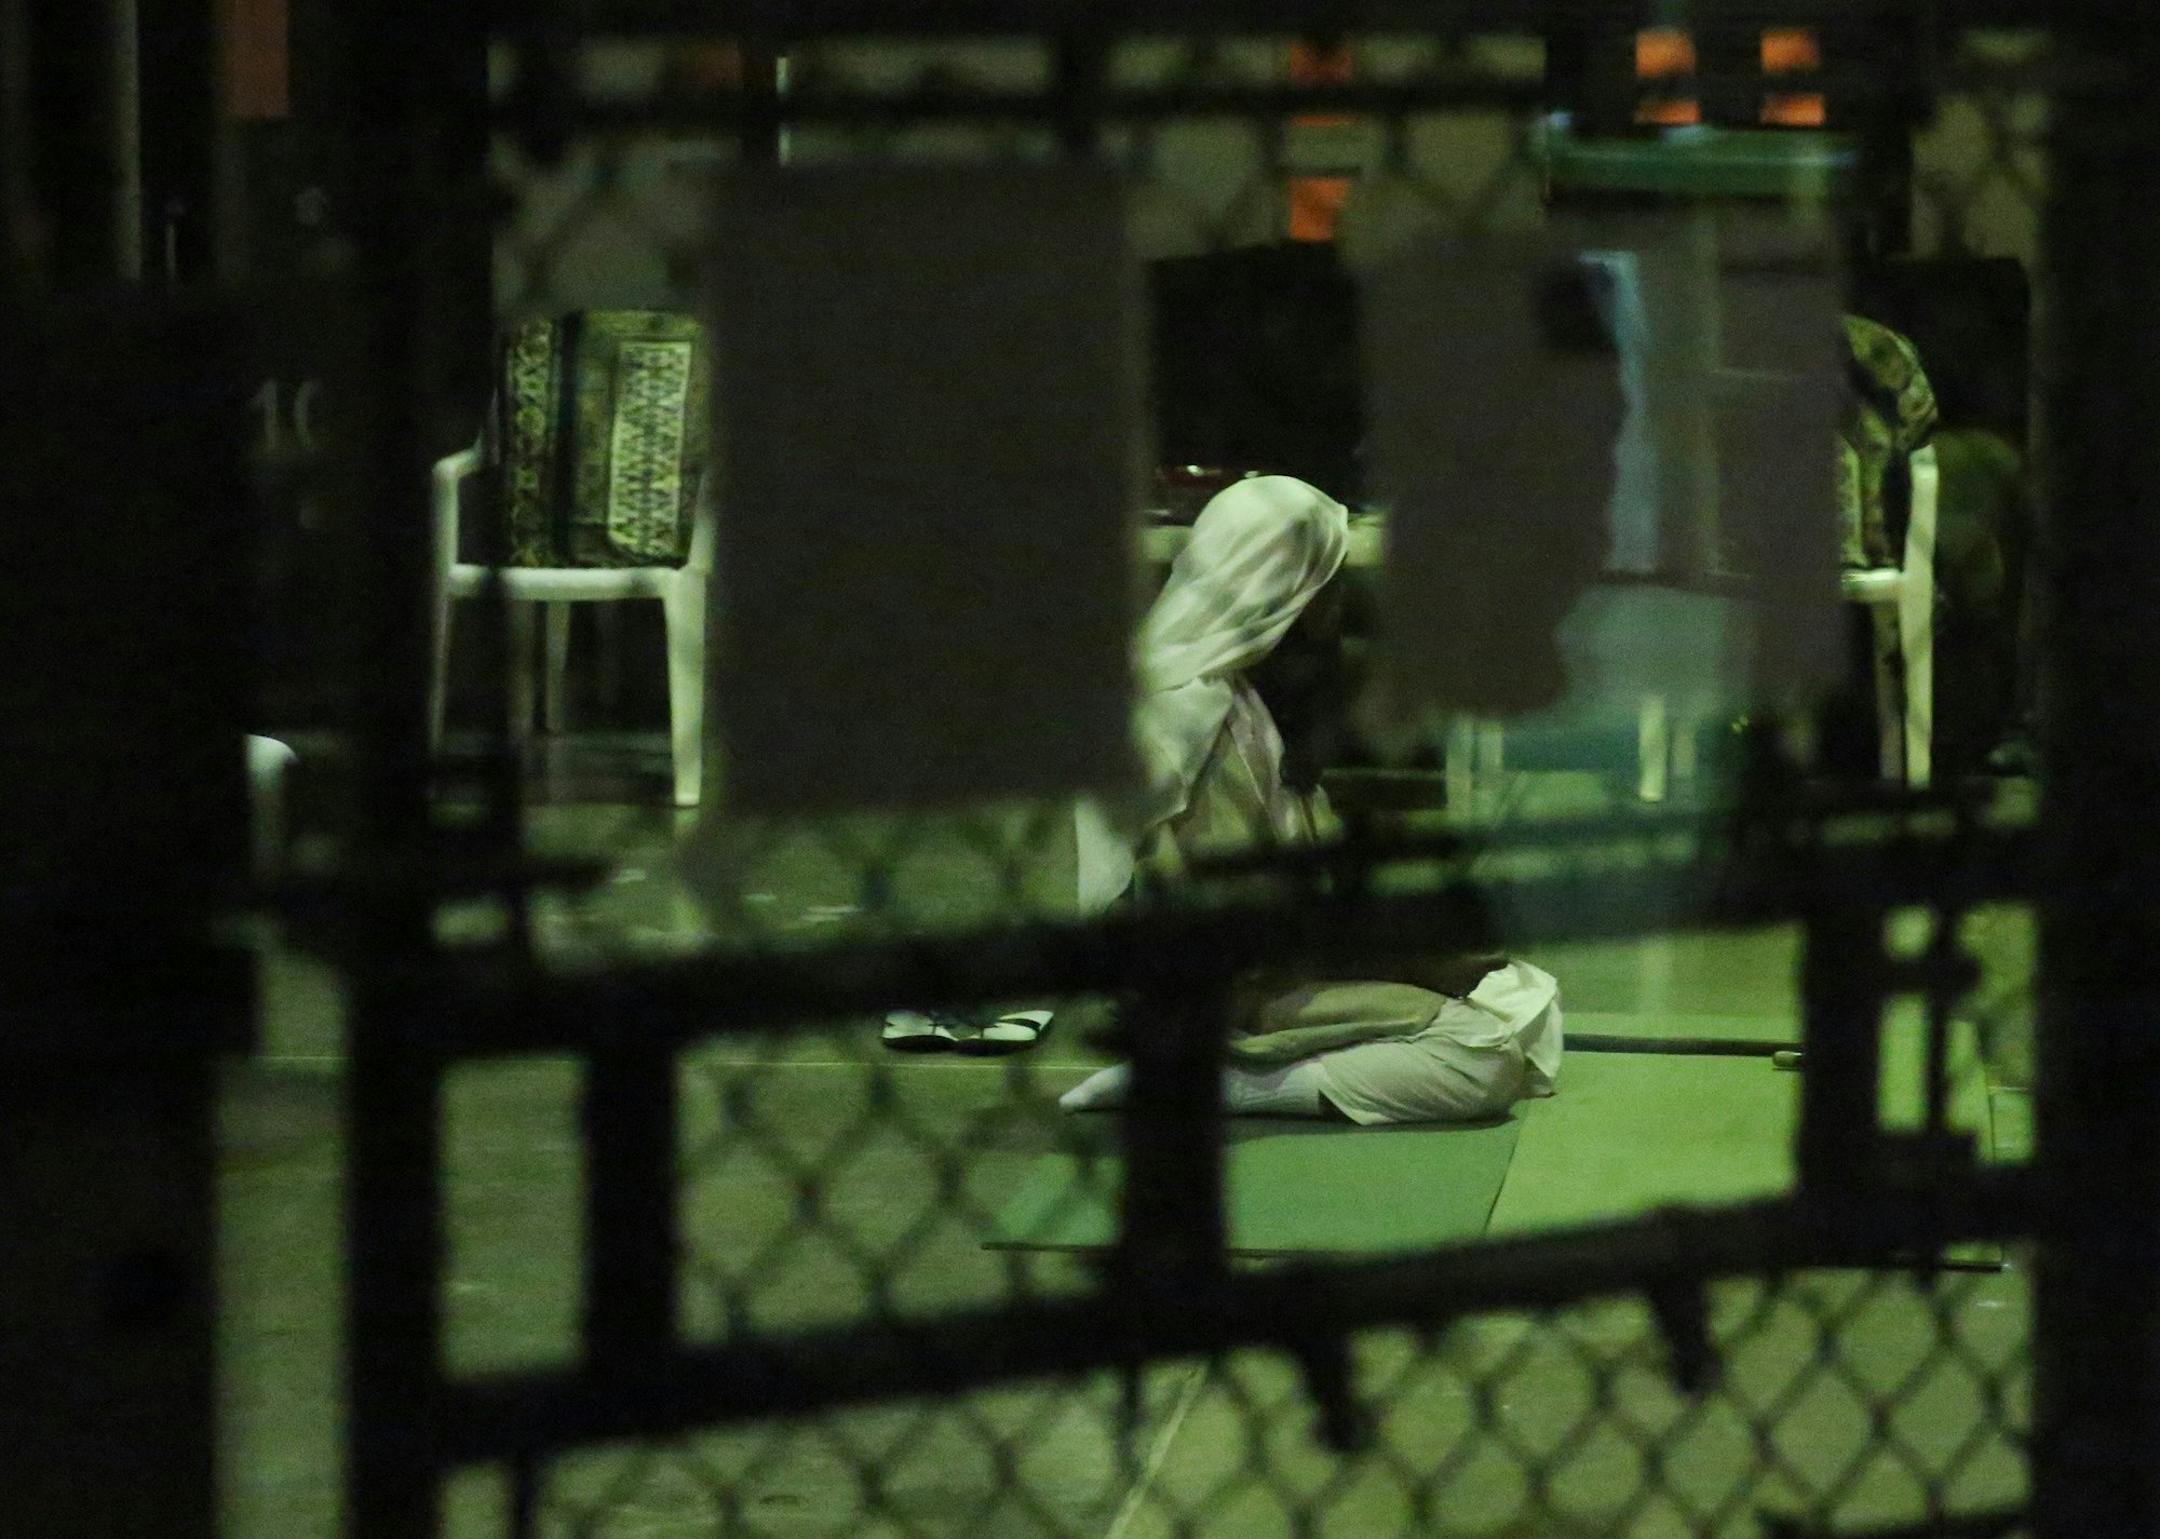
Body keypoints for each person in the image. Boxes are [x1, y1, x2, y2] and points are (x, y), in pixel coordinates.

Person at [1056, 473, 1563, 1123]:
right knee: (1480, 1051)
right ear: (1285, 588)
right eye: (1328, 581)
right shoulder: (1188, 715)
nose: (1339, 602)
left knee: (1525, 997)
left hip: (1272, 968)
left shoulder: (1229, 689)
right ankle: (1208, 1084)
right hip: (1223, 996)